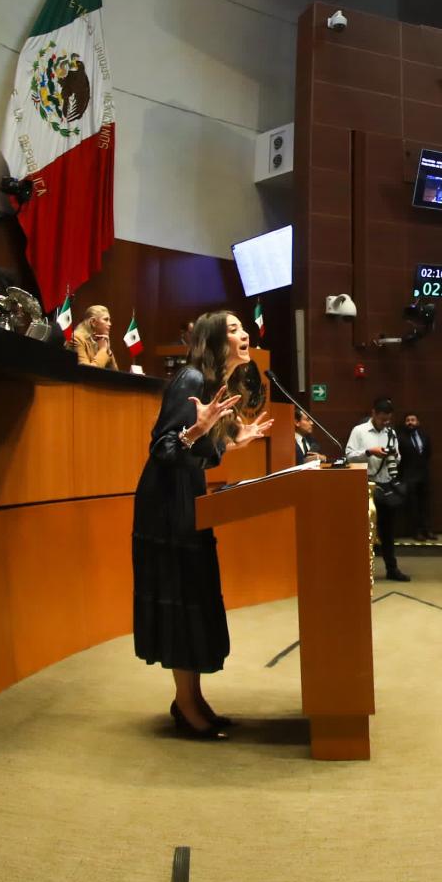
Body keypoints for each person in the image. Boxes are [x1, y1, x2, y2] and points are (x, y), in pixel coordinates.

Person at [132, 310, 272, 739]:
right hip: (166, 504)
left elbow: (195, 453)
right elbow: (164, 447)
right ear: (214, 340)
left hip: (186, 495)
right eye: (233, 329)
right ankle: (187, 704)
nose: (244, 334)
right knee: (180, 592)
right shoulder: (191, 380)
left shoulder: (213, 387)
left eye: (242, 327)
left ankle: (191, 699)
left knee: (194, 593)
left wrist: (230, 444)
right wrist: (198, 432)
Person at [345, 398, 409, 582]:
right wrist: (369, 452)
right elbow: (349, 456)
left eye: (388, 419)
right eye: (382, 419)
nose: (385, 423)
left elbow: (396, 460)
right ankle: (361, 570)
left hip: (386, 485)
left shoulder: (391, 432)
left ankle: (392, 568)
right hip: (365, 484)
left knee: (388, 531)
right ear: (373, 413)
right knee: (365, 530)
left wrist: (395, 455)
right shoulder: (359, 431)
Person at [398, 411, 433, 539]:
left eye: (413, 420)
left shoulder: (424, 436)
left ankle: (427, 529)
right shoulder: (401, 438)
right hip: (409, 476)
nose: (410, 423)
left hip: (424, 475)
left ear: (418, 422)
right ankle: (416, 531)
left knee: (425, 504)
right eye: (408, 420)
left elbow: (428, 453)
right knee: (413, 505)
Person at [73, 303, 118, 369]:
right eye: (106, 319)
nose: (110, 324)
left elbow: (116, 375)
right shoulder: (76, 338)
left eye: (109, 320)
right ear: (93, 322)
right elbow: (87, 372)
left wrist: (108, 351)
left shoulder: (101, 340)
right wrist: (103, 350)